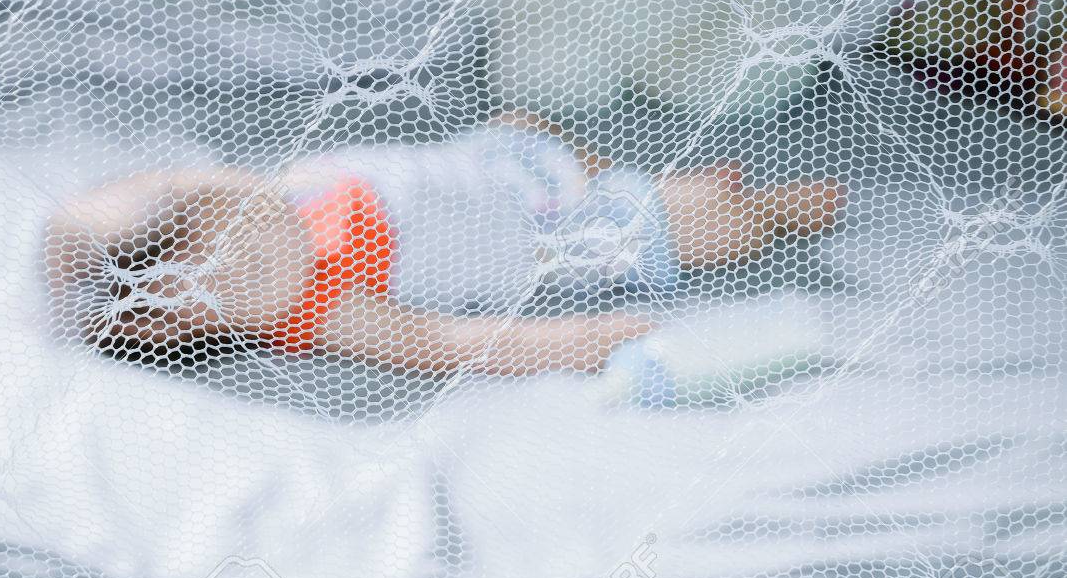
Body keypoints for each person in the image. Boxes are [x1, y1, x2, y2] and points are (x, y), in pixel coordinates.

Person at [47, 114, 845, 378]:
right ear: (206, 326)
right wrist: (579, 341)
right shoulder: (321, 308)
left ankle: (655, 183)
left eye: (235, 208)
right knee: (704, 230)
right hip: (547, 235)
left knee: (539, 130)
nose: (270, 241)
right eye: (248, 277)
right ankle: (771, 213)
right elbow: (446, 342)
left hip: (493, 164)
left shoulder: (273, 188)